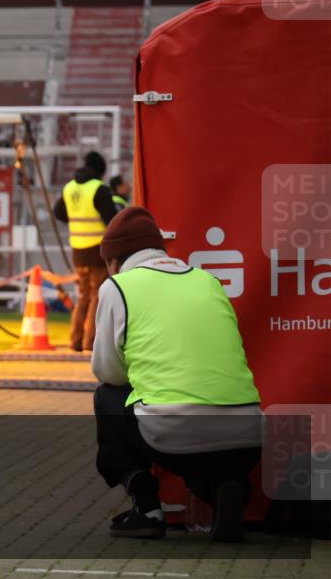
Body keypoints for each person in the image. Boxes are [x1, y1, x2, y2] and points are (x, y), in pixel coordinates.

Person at [91, 207, 263, 542]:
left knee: (107, 396)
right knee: (206, 443)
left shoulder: (119, 287)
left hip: (172, 433)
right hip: (248, 436)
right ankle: (226, 488)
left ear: (114, 260)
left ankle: (146, 507)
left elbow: (107, 371)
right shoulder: (208, 280)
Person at [53, 151, 117, 352]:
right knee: (97, 295)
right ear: (101, 170)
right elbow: (112, 220)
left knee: (83, 296)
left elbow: (59, 212)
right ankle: (91, 342)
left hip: (77, 249)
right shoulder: (99, 189)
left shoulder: (69, 187)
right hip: (97, 249)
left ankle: (75, 339)